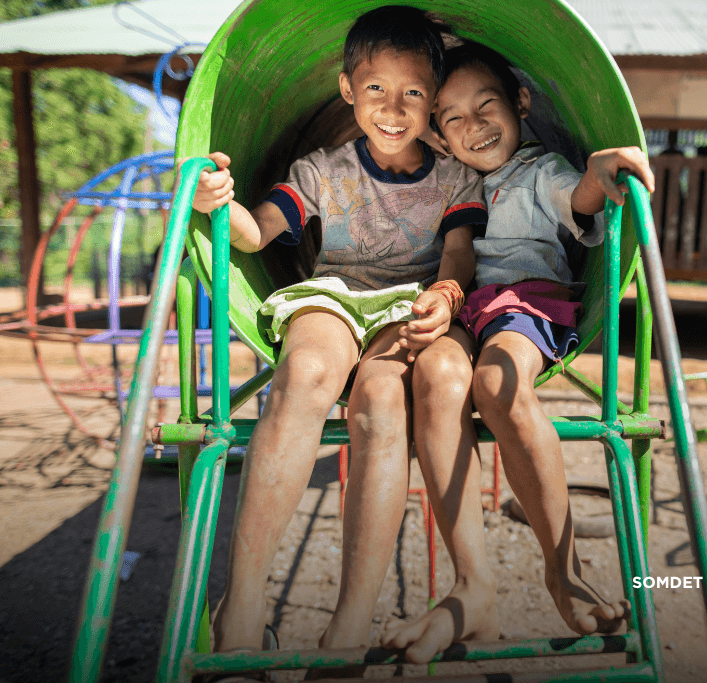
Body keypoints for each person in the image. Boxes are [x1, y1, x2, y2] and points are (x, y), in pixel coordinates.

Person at [189, 7, 486, 677]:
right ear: (347, 89)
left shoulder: (455, 178)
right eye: (376, 89)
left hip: (406, 305)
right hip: (335, 293)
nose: (393, 107)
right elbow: (258, 231)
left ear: (433, 100)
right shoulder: (322, 168)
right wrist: (222, 203)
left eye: (413, 93)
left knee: (383, 403)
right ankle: (241, 601)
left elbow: (461, 252)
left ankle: (349, 623)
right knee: (304, 374)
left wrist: (445, 296)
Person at [383, 43, 656, 664]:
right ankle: (469, 583)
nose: (474, 126)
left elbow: (582, 196)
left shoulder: (541, 170)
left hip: (523, 302)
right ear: (439, 135)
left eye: (487, 107)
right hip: (459, 306)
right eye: (452, 118)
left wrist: (601, 166)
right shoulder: (449, 178)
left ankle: (564, 570)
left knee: (499, 385)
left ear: (521, 104)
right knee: (438, 379)